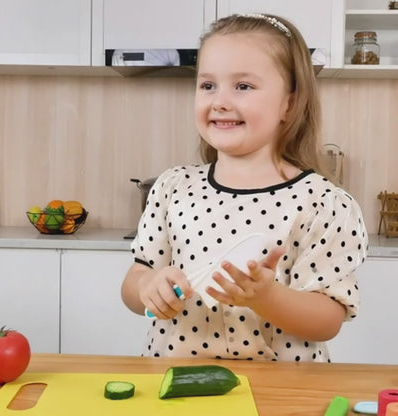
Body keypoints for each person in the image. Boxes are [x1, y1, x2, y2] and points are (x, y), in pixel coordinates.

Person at [121, 13, 368, 362]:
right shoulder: (172, 188)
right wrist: (147, 287)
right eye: (208, 85)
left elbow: (329, 319)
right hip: (175, 385)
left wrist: (265, 297)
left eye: (243, 86)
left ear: (290, 103)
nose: (219, 100)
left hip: (281, 395)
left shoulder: (323, 204)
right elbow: (136, 278)